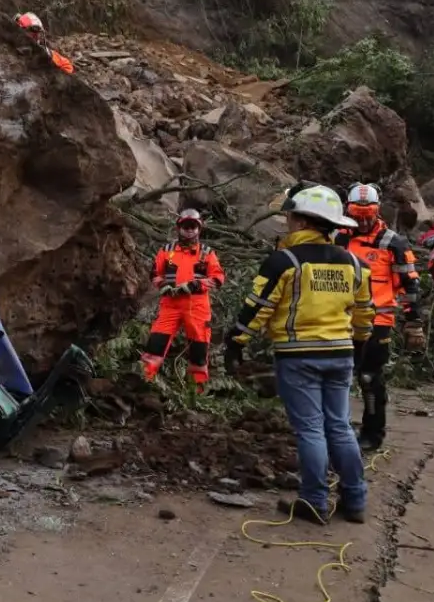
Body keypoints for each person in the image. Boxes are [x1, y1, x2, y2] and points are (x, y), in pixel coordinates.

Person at [224, 184, 373, 524]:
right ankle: (355, 499)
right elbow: (365, 312)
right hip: (341, 353)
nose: (287, 222)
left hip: (298, 356)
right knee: (340, 426)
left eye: (290, 216)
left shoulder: (284, 261)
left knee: (310, 429)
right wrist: (361, 345)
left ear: (302, 221)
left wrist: (235, 344)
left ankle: (314, 501)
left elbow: (257, 309)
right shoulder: (354, 263)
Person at [335, 182, 424, 452]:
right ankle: (338, 429)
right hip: (339, 321)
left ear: (377, 211)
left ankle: (372, 433)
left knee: (369, 378)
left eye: (368, 213)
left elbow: (410, 283)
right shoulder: (337, 238)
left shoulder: (392, 242)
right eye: (356, 213)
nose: (362, 220)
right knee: (337, 376)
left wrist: (414, 322)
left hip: (377, 323)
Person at [139, 209, 225, 392]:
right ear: (179, 228)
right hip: (170, 305)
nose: (189, 230)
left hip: (197, 307)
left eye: (193, 226)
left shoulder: (207, 253)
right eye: (186, 226)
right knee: (155, 343)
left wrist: (194, 286)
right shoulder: (166, 250)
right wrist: (163, 286)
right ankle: (142, 382)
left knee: (199, 350)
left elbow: (218, 278)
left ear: (199, 229)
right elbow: (155, 273)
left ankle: (196, 392)